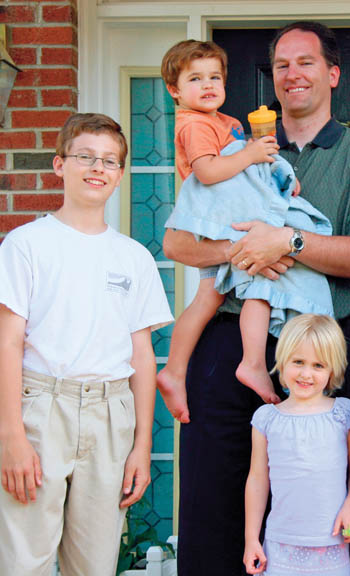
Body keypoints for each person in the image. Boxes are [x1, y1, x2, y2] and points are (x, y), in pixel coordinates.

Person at [162, 22, 350, 575]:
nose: (292, 75)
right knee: (213, 499)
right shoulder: (232, 143)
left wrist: (287, 242)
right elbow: (176, 241)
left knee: (313, 511)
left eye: (306, 63)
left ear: (333, 74)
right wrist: (241, 248)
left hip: (315, 347)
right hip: (228, 341)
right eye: (282, 65)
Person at [0, 113, 173, 575]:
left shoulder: (133, 257)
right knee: (23, 561)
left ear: (119, 175)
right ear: (59, 164)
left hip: (109, 415)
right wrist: (12, 436)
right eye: (86, 157)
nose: (98, 168)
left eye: (110, 161)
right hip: (41, 408)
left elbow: (141, 356)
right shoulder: (26, 245)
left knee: (94, 565)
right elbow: (9, 342)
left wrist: (140, 444)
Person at [157, 39, 335, 420]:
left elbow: (248, 171)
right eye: (195, 79)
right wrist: (252, 153)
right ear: (175, 91)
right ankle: (231, 364)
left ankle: (182, 370)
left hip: (229, 213)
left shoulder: (227, 123)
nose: (208, 85)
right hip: (219, 218)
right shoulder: (196, 125)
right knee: (241, 287)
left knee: (214, 296)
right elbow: (208, 172)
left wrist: (277, 177)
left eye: (215, 77)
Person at [244, 314, 350, 576]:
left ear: (332, 369)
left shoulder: (343, 414)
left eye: (318, 365)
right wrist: (251, 539)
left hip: (332, 541)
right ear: (283, 361)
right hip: (280, 545)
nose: (306, 374)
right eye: (298, 362)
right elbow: (257, 479)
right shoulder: (267, 419)